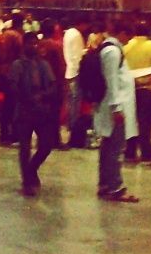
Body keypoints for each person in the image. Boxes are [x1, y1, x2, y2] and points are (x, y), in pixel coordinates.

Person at [92, 17, 138, 202]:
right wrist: (117, 108)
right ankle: (115, 187)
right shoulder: (112, 51)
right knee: (115, 148)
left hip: (111, 107)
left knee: (108, 147)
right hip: (114, 109)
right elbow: (111, 81)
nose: (129, 40)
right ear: (122, 33)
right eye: (128, 36)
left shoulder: (112, 49)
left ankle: (105, 184)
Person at [14, 33, 60, 196]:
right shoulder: (18, 65)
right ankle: (27, 181)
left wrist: (42, 96)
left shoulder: (44, 65)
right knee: (24, 148)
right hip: (24, 111)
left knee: (47, 145)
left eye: (36, 44)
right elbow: (14, 88)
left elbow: (53, 86)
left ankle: (32, 168)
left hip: (42, 111)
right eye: (30, 44)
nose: (33, 47)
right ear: (24, 45)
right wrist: (27, 99)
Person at [123, 23, 151, 164]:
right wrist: (145, 81)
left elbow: (123, 71)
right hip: (148, 90)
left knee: (131, 120)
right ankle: (147, 152)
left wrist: (135, 82)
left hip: (130, 89)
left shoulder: (126, 47)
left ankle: (130, 151)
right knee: (145, 122)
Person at [61, 17, 86, 147]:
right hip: (75, 72)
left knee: (71, 102)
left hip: (69, 71)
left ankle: (70, 125)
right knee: (75, 103)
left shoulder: (68, 33)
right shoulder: (76, 35)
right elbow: (78, 56)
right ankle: (73, 128)